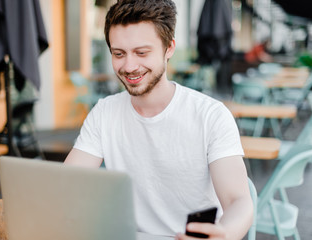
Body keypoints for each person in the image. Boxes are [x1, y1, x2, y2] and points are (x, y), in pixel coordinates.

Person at [65, 0, 253, 239]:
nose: (129, 66)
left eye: (142, 53)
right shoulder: (104, 112)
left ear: (169, 48)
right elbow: (68, 184)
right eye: (118, 54)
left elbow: (239, 201)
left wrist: (225, 233)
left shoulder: (211, 116)